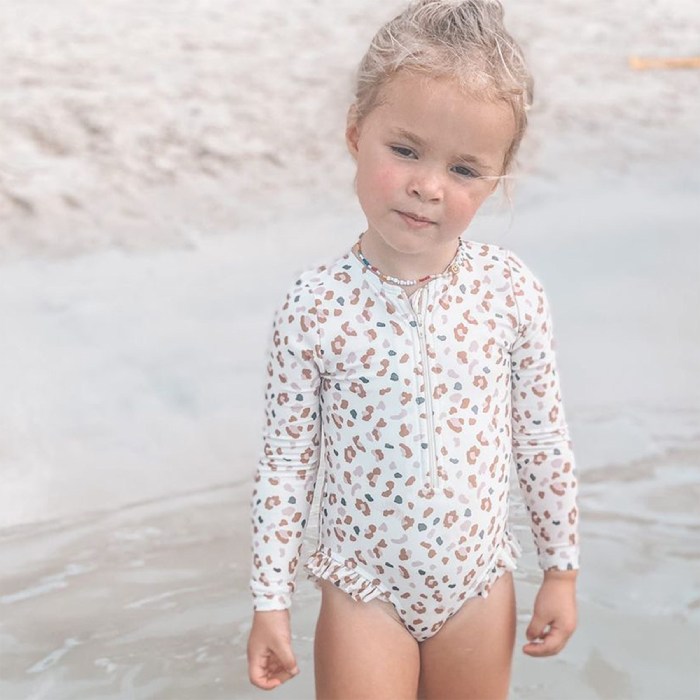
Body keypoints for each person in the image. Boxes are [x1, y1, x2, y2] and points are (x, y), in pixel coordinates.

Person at [246, 1, 580, 697]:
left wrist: (561, 569)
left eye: (464, 169)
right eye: (405, 151)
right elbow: (286, 463)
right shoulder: (315, 306)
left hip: (478, 586)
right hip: (363, 591)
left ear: (497, 178)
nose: (428, 185)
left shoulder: (509, 290)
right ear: (356, 133)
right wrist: (270, 601)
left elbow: (541, 439)